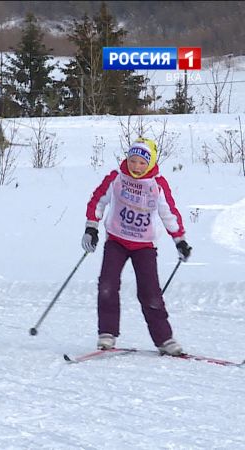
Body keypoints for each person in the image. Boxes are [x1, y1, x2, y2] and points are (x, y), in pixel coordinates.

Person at [82, 137, 191, 356]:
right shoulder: (117, 178)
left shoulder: (157, 185)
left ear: (150, 163)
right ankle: (107, 334)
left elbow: (168, 212)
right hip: (117, 241)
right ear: (127, 159)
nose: (137, 166)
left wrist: (180, 240)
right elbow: (98, 200)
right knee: (107, 285)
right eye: (133, 161)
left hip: (144, 245)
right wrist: (91, 227)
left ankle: (164, 339)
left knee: (150, 293)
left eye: (142, 162)